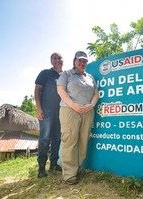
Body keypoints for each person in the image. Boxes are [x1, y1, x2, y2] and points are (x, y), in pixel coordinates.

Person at [57, 51, 99, 185]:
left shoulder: (90, 77)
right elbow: (61, 90)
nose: (82, 63)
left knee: (83, 141)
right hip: (69, 110)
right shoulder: (66, 74)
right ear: (74, 61)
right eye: (80, 60)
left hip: (87, 111)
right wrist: (74, 105)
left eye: (85, 61)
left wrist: (91, 105)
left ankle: (76, 168)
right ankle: (69, 175)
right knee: (69, 141)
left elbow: (96, 94)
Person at [34, 52, 63, 178]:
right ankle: (41, 168)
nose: (57, 60)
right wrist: (39, 108)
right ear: (51, 61)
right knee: (44, 139)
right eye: (54, 58)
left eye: (59, 58)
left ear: (63, 60)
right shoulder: (45, 73)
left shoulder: (65, 75)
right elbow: (37, 90)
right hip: (46, 111)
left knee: (57, 139)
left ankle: (54, 164)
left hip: (61, 112)